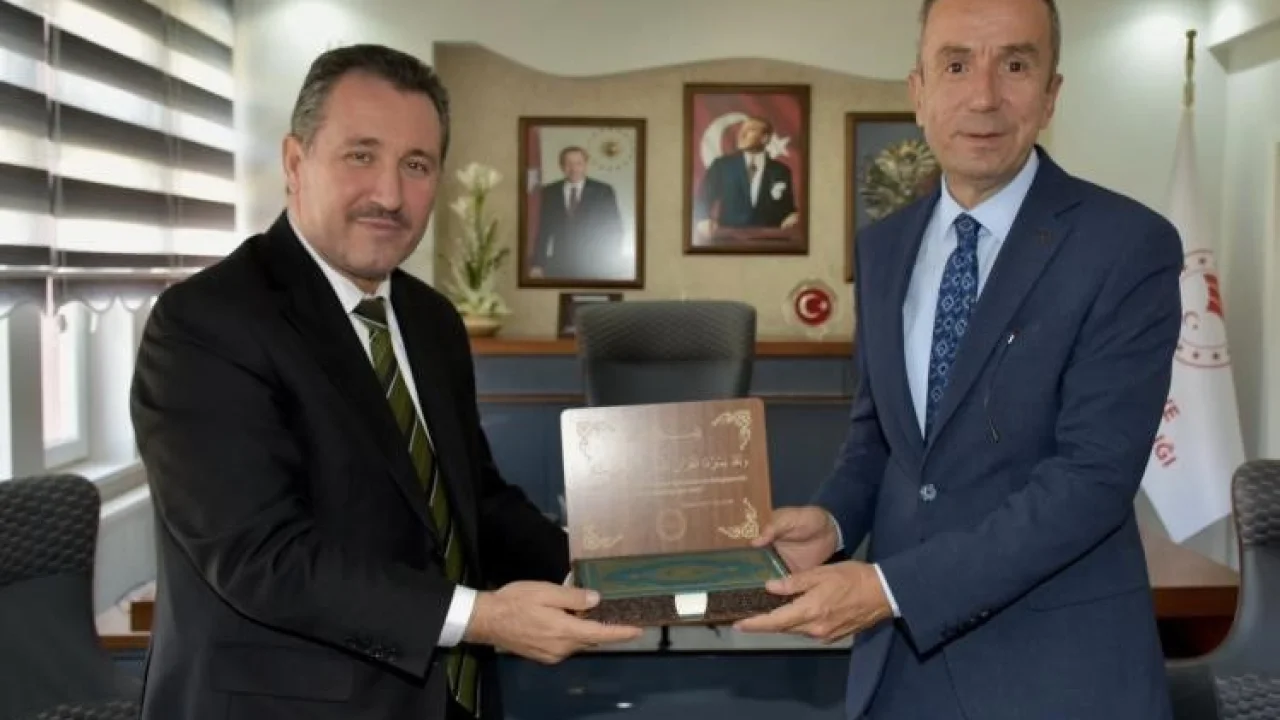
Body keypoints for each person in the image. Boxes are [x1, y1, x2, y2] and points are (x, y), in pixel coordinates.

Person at [130, 44, 641, 720]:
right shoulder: (206, 323)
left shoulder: (431, 321)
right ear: (295, 162)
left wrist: (615, 567)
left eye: (416, 165)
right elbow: (262, 557)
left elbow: (476, 504)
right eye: (361, 155)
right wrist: (482, 617)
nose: (390, 195)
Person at [735, 0, 1181, 718]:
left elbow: (1092, 478)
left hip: (1056, 677)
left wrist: (889, 589)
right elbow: (880, 438)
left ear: (1051, 94)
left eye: (1015, 64)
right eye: (955, 65)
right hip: (897, 674)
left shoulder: (1127, 246)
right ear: (917, 92)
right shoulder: (884, 247)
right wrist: (835, 520)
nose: (983, 95)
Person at [529, 146, 629, 281]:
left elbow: (615, 229)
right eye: (568, 164)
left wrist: (610, 262)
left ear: (586, 165)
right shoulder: (549, 192)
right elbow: (543, 231)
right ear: (561, 166)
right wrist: (537, 264)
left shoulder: (603, 191)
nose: (574, 169)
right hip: (559, 266)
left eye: (578, 163)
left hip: (596, 266)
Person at [694, 116, 799, 240]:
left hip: (769, 241)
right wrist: (703, 219)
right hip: (729, 240)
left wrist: (792, 215)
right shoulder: (722, 166)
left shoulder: (781, 171)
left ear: (765, 138)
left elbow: (787, 209)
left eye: (750, 130)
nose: (741, 134)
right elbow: (703, 198)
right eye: (742, 130)